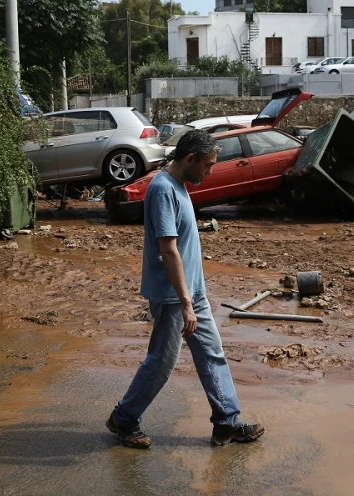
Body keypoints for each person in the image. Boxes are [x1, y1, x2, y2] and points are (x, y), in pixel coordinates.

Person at [106, 129, 265, 449]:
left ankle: (227, 422)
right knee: (161, 363)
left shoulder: (177, 184)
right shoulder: (163, 189)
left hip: (192, 293)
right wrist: (185, 302)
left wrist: (194, 295)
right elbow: (168, 249)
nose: (210, 171)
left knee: (212, 354)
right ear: (190, 158)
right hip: (174, 297)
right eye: (208, 165)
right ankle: (124, 419)